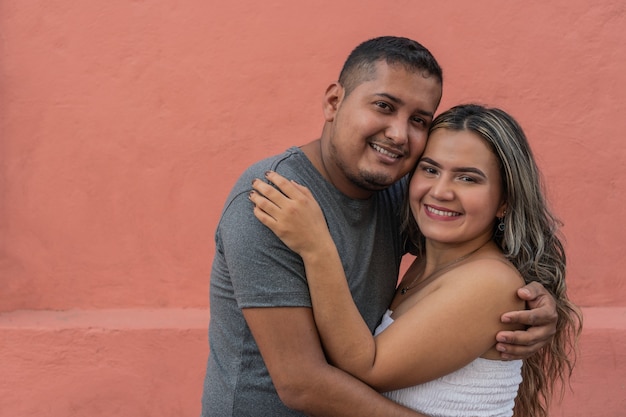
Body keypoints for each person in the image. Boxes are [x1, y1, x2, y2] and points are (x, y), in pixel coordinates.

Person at [201, 36, 559, 417]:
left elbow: (479, 255)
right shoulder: (275, 201)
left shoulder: (402, 194)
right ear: (334, 102)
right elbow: (302, 384)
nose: (399, 134)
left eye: (419, 120)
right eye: (384, 106)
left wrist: (539, 302)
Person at [250, 103, 582, 417]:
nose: (440, 191)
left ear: (504, 202)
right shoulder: (426, 260)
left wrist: (316, 246)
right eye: (430, 169)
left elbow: (368, 367)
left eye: (468, 178)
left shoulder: (490, 282)